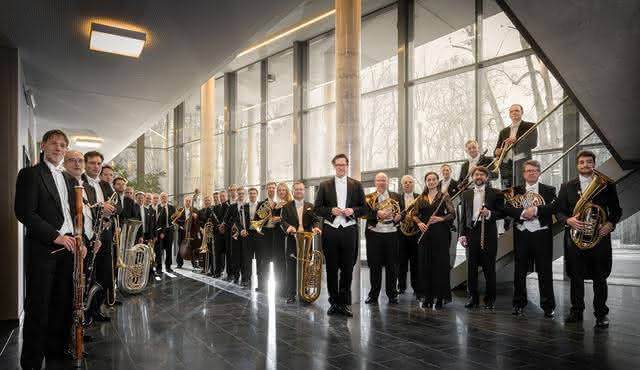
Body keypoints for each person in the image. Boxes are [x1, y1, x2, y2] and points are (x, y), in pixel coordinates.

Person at [15, 130, 90, 368]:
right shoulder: (30, 174)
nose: (58, 148)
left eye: (62, 145)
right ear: (43, 145)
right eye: (54, 144)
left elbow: (75, 216)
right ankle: (32, 362)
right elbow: (25, 213)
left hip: (70, 247)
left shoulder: (69, 179)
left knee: (62, 304)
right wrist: (56, 237)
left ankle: (55, 354)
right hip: (44, 249)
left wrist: (82, 243)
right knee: (39, 306)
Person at [557, 151, 622, 328]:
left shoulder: (607, 185)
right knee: (576, 277)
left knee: (600, 278)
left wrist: (610, 223)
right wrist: (568, 220)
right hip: (575, 239)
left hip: (599, 238)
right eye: (582, 162)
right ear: (577, 165)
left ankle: (601, 314)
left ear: (594, 164)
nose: (585, 165)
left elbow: (616, 210)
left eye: (589, 162)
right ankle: (576, 311)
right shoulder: (567, 186)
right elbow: (559, 211)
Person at [314, 154, 366, 317]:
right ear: (334, 166)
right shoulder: (324, 185)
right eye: (338, 165)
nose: (341, 168)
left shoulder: (356, 185)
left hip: (349, 230)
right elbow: (317, 208)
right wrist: (330, 211)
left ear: (347, 166)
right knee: (330, 269)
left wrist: (353, 211)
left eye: (343, 165)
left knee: (347, 269)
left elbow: (365, 208)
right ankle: (334, 302)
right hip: (330, 230)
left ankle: (344, 303)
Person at [504, 160, 557, 318]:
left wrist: (536, 209)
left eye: (534, 170)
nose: (531, 173)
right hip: (522, 234)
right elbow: (506, 207)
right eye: (528, 170)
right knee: (519, 271)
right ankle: (518, 304)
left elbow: (555, 207)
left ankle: (548, 306)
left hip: (542, 235)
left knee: (545, 271)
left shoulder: (549, 190)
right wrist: (521, 214)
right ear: (524, 174)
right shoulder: (516, 190)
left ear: (539, 172)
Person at [459, 166, 504, 309]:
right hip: (472, 231)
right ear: (472, 178)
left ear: (486, 177)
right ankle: (473, 297)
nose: (478, 177)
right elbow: (463, 217)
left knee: (489, 267)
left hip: (488, 231)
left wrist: (489, 213)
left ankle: (490, 299)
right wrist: (462, 234)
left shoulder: (495, 193)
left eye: (482, 175)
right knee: (471, 267)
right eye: (476, 175)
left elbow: (502, 213)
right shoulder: (465, 194)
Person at [83, 152, 119, 318]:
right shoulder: (80, 182)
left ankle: (95, 310)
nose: (95, 166)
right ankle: (86, 313)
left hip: (99, 236)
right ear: (85, 164)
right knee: (87, 277)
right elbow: (82, 209)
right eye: (92, 163)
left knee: (99, 274)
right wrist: (100, 210)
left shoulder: (98, 185)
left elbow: (106, 208)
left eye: (98, 163)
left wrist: (106, 216)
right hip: (86, 238)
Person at [413, 172, 456, 309]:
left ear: (438, 181)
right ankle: (427, 298)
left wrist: (440, 218)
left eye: (433, 179)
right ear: (426, 182)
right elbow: (412, 215)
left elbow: (452, 214)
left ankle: (439, 298)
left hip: (440, 234)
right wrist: (419, 223)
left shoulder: (444, 196)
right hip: (425, 234)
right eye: (428, 179)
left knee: (440, 266)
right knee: (425, 265)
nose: (431, 182)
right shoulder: (421, 198)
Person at [364, 173, 402, 305]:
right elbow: (363, 213)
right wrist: (376, 213)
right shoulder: (369, 197)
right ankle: (373, 295)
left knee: (393, 266)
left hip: (392, 233)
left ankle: (392, 295)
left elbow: (402, 212)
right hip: (375, 233)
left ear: (388, 182)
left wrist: (399, 217)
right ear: (375, 182)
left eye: (383, 180)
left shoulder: (396, 196)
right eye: (378, 180)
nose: (381, 182)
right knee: (375, 266)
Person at [281, 182, 321, 304]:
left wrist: (315, 227)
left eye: (301, 189)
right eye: (296, 189)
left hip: (306, 241)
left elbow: (316, 219)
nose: (299, 191)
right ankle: (291, 295)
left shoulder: (310, 206)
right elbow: (283, 221)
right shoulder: (287, 206)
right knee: (291, 268)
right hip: (293, 240)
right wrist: (288, 228)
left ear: (304, 191)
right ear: (293, 192)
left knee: (306, 268)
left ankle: (305, 292)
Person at [494, 104, 538, 188]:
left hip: (522, 164)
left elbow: (533, 143)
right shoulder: (503, 131)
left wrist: (517, 139)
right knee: (507, 193)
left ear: (522, 112)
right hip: (506, 166)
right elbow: (497, 147)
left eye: (517, 110)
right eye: (511, 111)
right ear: (509, 115)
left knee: (521, 191)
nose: (514, 112)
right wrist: (496, 151)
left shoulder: (530, 126)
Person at [397, 175, 419, 295]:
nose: (408, 184)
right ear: (402, 185)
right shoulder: (397, 198)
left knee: (416, 262)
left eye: (410, 182)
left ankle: (416, 287)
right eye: (405, 182)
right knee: (401, 262)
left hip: (416, 234)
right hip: (401, 234)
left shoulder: (419, 197)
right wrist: (402, 218)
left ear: (413, 184)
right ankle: (401, 286)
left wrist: (414, 218)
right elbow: (395, 214)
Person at [254, 183, 277, 292]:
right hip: (265, 234)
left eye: (273, 188)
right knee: (263, 261)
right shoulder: (262, 204)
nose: (271, 190)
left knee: (277, 261)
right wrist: (259, 231)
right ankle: (262, 285)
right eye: (269, 188)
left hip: (276, 234)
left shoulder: (279, 203)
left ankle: (279, 288)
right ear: (266, 190)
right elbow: (256, 221)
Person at [271, 183, 292, 295]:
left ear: (287, 191)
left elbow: (292, 219)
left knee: (285, 261)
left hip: (284, 234)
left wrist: (279, 219)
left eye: (283, 190)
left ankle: (287, 288)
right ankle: (279, 288)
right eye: (279, 190)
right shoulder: (276, 204)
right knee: (277, 261)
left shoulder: (290, 204)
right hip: (275, 235)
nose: (281, 192)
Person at [226, 187, 247, 284]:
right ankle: (236, 276)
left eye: (243, 193)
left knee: (244, 257)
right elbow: (226, 220)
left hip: (246, 235)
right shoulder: (232, 206)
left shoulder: (248, 206)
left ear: (245, 194)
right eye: (239, 194)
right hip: (234, 235)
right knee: (235, 257)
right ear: (237, 195)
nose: (241, 195)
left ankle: (244, 278)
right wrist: (235, 225)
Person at [156, 192, 176, 273]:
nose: (164, 198)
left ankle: (168, 267)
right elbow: (158, 222)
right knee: (159, 250)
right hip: (160, 232)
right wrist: (161, 231)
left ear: (167, 198)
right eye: (162, 197)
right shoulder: (157, 207)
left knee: (169, 250)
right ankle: (159, 268)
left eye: (165, 197)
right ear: (160, 198)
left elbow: (174, 220)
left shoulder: (172, 207)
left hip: (169, 231)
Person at [215, 190, 229, 278]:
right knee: (218, 253)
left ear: (226, 196)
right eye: (221, 196)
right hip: (219, 233)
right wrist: (218, 227)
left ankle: (228, 273)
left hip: (226, 233)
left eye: (223, 196)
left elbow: (230, 218)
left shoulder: (229, 206)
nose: (222, 198)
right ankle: (218, 272)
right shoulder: (217, 207)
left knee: (228, 254)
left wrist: (224, 226)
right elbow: (214, 220)